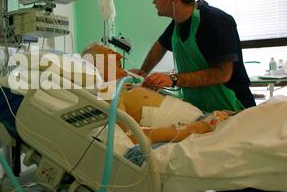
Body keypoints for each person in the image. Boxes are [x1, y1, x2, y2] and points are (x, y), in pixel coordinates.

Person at [132, 0, 255, 113]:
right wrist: (142, 72)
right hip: (203, 111)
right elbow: (159, 47)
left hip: (235, 110)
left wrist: (173, 79)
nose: (153, 1)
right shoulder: (177, 24)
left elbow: (223, 73)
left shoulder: (216, 21)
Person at [82, 43, 231, 145]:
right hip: (194, 132)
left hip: (205, 120)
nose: (119, 56)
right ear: (97, 66)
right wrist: (192, 129)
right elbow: (131, 137)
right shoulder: (107, 91)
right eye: (111, 53)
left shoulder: (127, 85)